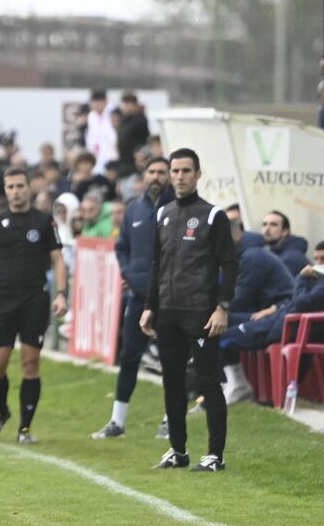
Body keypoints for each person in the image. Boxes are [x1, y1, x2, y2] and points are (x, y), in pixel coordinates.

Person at [141, 148, 239, 472]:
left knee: (208, 382)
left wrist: (222, 308)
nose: (180, 176)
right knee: (172, 381)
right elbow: (157, 264)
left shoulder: (213, 216)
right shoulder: (163, 213)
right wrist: (149, 307)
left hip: (200, 312)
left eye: (186, 171)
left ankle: (215, 455)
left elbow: (229, 264)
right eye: (175, 171)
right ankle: (178, 451)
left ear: (198, 174)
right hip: (167, 311)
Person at [0, 166, 67, 443]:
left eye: (20, 186)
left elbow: (58, 259)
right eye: (10, 187)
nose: (16, 191)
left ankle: (25, 428)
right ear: (6, 190)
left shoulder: (44, 221)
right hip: (2, 298)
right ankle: (1, 412)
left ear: (29, 188)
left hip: (34, 297)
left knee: (30, 363)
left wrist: (61, 293)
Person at [93, 155, 173, 439]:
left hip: (170, 297)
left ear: (170, 176)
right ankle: (117, 421)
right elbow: (122, 246)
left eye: (162, 172)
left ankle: (170, 420)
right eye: (151, 172)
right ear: (144, 175)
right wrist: (129, 273)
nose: (156, 177)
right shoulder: (133, 210)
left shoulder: (178, 208)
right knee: (128, 356)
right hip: (139, 295)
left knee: (171, 359)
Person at [222, 241, 324, 403]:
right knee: (218, 327)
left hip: (285, 328)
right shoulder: (317, 281)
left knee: (222, 337)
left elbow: (302, 303)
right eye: (316, 259)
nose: (318, 264)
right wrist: (276, 308)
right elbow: (295, 301)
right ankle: (229, 384)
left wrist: (302, 279)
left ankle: (236, 386)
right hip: (278, 320)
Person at [260, 211, 309, 276]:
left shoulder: (291, 258)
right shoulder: (273, 253)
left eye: (273, 225)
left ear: (285, 232)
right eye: (264, 224)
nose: (266, 229)